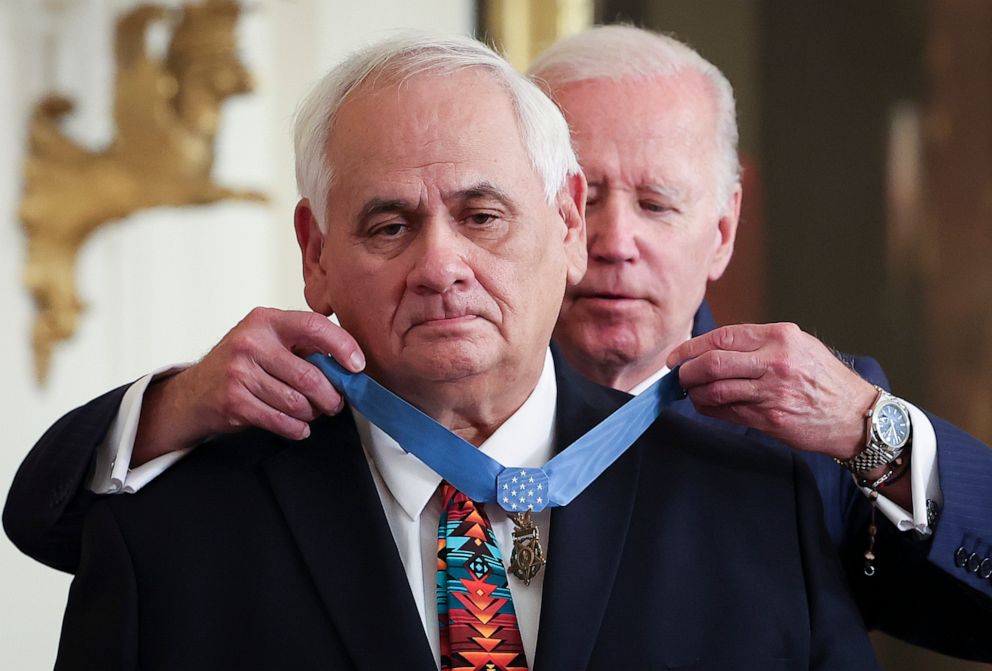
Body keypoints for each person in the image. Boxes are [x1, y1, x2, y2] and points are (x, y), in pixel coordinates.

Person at [4, 24, 991, 660]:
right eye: (391, 224)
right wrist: (174, 407)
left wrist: (872, 429)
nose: (610, 240)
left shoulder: (783, 455)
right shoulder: (224, 466)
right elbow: (73, 519)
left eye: (652, 201)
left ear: (721, 228)